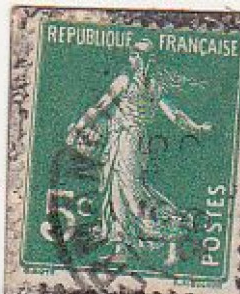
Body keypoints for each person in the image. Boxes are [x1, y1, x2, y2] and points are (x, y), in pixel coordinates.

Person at [64, 40, 213, 262]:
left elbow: (100, 106)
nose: (130, 59)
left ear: (143, 59)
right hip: (129, 140)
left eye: (134, 55)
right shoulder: (152, 85)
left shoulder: (130, 82)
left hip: (127, 140)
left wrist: (78, 126)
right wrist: (196, 127)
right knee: (117, 190)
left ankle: (172, 231)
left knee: (131, 193)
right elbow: (175, 115)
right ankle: (121, 248)